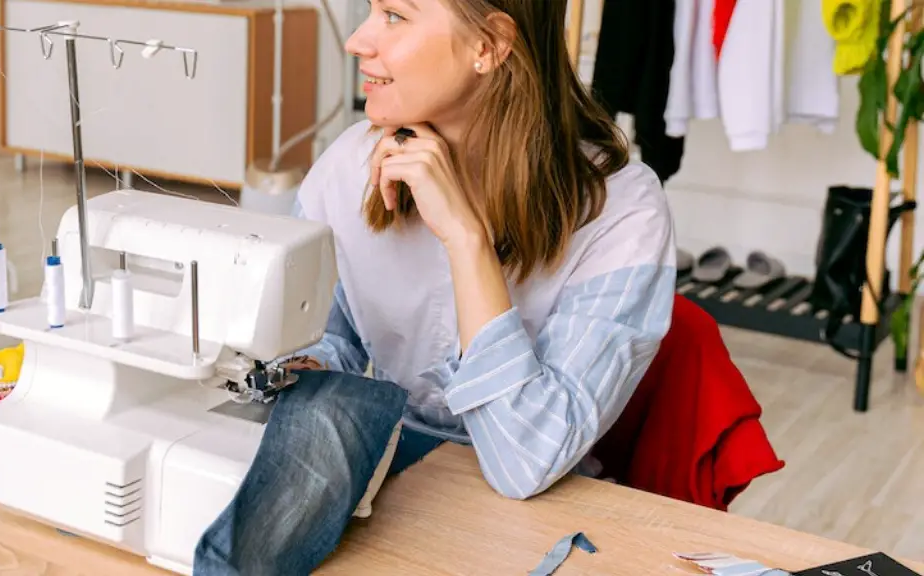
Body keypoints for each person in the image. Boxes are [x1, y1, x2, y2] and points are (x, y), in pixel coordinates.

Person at [193, 0, 676, 573]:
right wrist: (304, 368)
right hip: (395, 479)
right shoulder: (348, 168)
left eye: (395, 16)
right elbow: (328, 340)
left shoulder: (620, 210)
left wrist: (466, 241)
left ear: (488, 45)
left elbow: (525, 461)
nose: (358, 42)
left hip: (528, 516)